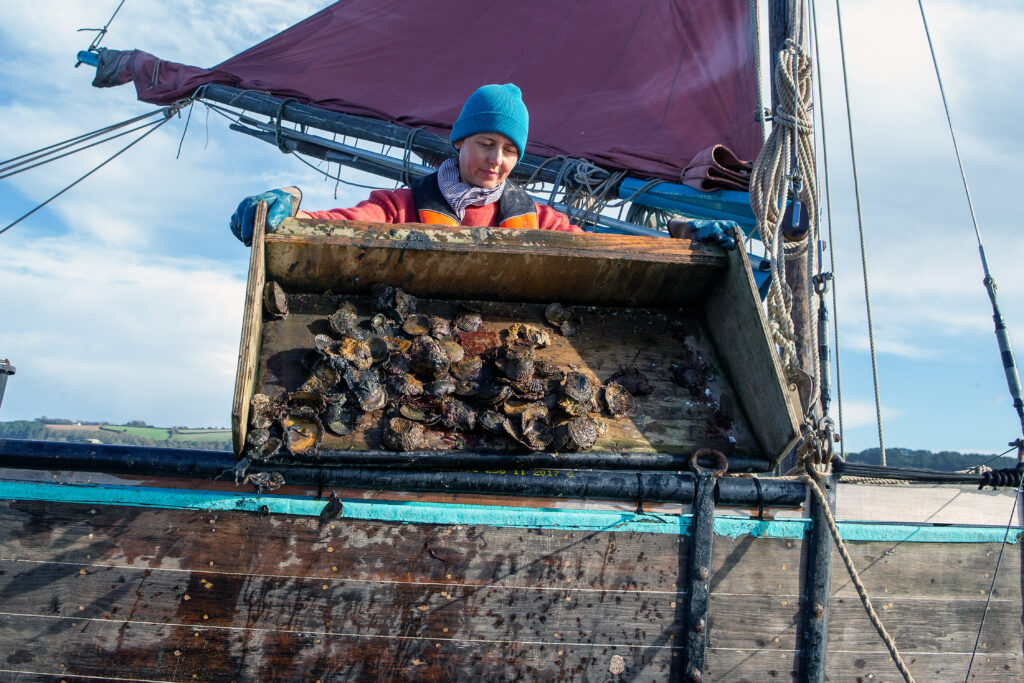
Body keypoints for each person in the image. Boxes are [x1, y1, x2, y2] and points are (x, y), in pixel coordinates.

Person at [230, 83, 738, 248]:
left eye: (510, 151)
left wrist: (681, 238)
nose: (497, 161)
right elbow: (347, 225)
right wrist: (286, 209)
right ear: (459, 143)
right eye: (486, 144)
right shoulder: (402, 206)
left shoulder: (539, 219)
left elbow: (601, 245)